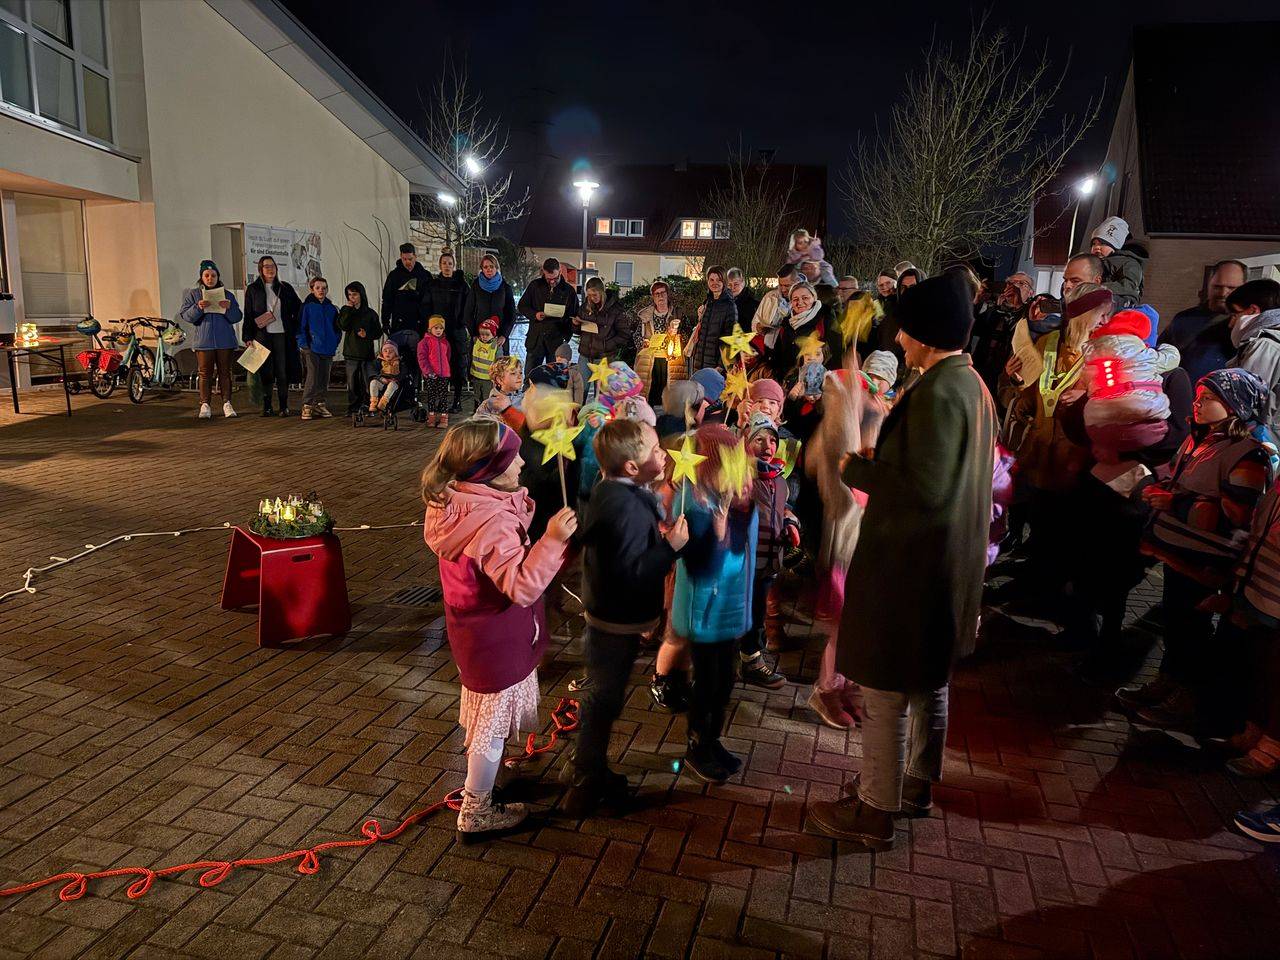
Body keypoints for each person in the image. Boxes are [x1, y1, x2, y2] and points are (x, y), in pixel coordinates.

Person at [805, 270, 995, 850]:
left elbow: (924, 489)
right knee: (929, 682)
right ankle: (914, 785)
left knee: (886, 690)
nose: (900, 341)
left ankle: (875, 809)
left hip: (912, 569)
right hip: (944, 567)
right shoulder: (970, 385)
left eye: (908, 331)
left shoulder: (939, 393)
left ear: (929, 333)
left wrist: (858, 469)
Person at [421, 419, 577, 841]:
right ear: (488, 469)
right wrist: (552, 540)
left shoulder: (458, 502)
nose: (523, 462)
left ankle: (488, 781)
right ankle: (477, 809)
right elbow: (521, 586)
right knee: (490, 723)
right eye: (513, 457)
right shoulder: (492, 523)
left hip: (474, 631)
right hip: (495, 635)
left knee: (488, 713)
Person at [1119, 369, 1278, 730]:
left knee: (1191, 630)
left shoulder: (1249, 453)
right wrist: (1160, 490)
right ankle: (1167, 683)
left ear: (1235, 405)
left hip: (1204, 561)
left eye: (1209, 399)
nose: (1197, 404)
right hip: (1179, 554)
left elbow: (1239, 514)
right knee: (1176, 624)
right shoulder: (1202, 439)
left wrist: (1175, 503)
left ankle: (1186, 700)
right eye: (1198, 396)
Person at [564, 419, 688, 815]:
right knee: (604, 699)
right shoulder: (625, 507)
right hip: (614, 620)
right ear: (632, 467)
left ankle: (586, 764)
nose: (664, 454)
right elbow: (634, 570)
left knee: (604, 695)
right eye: (655, 450)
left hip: (608, 615)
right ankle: (586, 783)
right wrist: (670, 547)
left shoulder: (613, 492)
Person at [672, 424, 758, 783]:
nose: (743, 476)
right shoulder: (695, 504)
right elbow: (699, 564)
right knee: (709, 682)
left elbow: (743, 549)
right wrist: (720, 529)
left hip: (730, 610)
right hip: (705, 613)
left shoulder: (731, 501)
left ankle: (712, 739)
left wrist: (742, 510)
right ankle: (698, 744)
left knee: (725, 681)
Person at [742, 414, 795, 688]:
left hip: (769, 562)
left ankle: (750, 660)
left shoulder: (779, 480)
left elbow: (784, 510)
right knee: (742, 612)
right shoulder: (743, 478)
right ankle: (743, 660)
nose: (767, 446)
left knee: (757, 612)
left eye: (772, 440)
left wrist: (790, 524)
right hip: (745, 562)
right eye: (759, 439)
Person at [1160, 259, 1247, 384]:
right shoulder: (1183, 319)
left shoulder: (1247, 327)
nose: (1223, 293)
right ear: (1209, 285)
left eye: (1231, 288)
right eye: (1217, 287)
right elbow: (1160, 356)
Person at [180, 259, 243, 419]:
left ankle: (227, 403)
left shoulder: (227, 295)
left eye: (213, 275)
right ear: (201, 277)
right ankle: (205, 404)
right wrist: (198, 307)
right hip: (204, 341)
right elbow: (186, 316)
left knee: (225, 372)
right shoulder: (194, 295)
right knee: (204, 373)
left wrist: (229, 308)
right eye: (206, 275)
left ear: (218, 277)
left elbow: (237, 316)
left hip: (225, 341)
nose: (210, 278)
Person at [242, 255, 301, 417]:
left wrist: (294, 326)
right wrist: (247, 336)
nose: (270, 269)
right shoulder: (253, 289)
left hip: (282, 336)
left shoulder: (285, 288)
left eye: (272, 266)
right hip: (262, 336)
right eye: (266, 266)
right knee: (265, 372)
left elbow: (298, 308)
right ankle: (267, 406)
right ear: (260, 269)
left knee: (282, 372)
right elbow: (248, 314)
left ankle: (283, 406)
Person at [1226, 279, 1280, 431]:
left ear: (1252, 310)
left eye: (1234, 315)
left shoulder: (1264, 345)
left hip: (1262, 438)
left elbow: (1243, 402)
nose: (1231, 324)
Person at [426, 250, 471, 413]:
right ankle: (441, 399)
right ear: (440, 265)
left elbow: (468, 307)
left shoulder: (462, 286)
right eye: (444, 263)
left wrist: (462, 322)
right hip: (438, 332)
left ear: (454, 266)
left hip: (456, 331)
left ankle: (457, 400)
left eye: (450, 263)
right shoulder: (433, 285)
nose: (447, 266)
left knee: (457, 366)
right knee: (439, 366)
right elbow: (427, 306)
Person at [575, 277, 636, 391]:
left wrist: (607, 344)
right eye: (589, 295)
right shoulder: (585, 307)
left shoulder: (615, 309)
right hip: (585, 355)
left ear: (602, 292)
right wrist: (576, 324)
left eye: (595, 295)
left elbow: (624, 334)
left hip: (604, 357)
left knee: (601, 393)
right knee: (580, 389)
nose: (592, 298)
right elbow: (578, 331)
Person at [518, 258, 578, 369]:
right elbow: (522, 306)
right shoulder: (535, 286)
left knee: (555, 376)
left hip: (557, 341)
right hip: (536, 340)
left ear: (560, 271)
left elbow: (573, 315)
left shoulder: (569, 291)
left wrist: (566, 338)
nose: (552, 282)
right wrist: (534, 314)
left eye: (555, 278)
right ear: (543, 272)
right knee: (531, 375)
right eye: (548, 278)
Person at [296, 277, 340, 420]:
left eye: (324, 288)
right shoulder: (307, 307)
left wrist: (334, 342)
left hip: (328, 348)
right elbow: (300, 327)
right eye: (318, 288)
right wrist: (304, 344)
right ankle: (307, 404)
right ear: (312, 289)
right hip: (312, 347)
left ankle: (320, 403)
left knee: (324, 377)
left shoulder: (332, 308)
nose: (321, 290)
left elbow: (337, 328)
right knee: (312, 375)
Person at [338, 281, 380, 416]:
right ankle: (353, 407)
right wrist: (348, 310)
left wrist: (367, 334)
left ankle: (368, 405)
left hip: (366, 353)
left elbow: (378, 332)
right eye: (349, 295)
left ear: (361, 295)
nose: (352, 298)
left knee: (367, 381)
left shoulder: (370, 313)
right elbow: (343, 325)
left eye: (354, 294)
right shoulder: (345, 310)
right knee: (352, 383)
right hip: (351, 353)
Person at [463, 253, 516, 356]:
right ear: (482, 269)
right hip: (480, 338)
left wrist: (504, 335)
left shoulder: (505, 287)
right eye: (485, 267)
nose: (489, 269)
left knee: (499, 365)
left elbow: (511, 314)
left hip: (499, 339)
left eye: (492, 266)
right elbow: (468, 312)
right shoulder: (476, 286)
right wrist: (474, 334)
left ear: (496, 268)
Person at [687, 266, 738, 373]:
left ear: (724, 281)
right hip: (699, 361)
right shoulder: (707, 303)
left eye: (718, 280)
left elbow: (730, 337)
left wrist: (721, 365)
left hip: (715, 365)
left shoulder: (729, 305)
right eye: (711, 280)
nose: (715, 283)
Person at [1089, 216, 1147, 308]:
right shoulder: (1090, 264)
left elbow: (1128, 286)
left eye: (1102, 243)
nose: (1096, 247)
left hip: (1119, 306)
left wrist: (1095, 288)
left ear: (1115, 245)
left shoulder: (1129, 264)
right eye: (1094, 244)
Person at [381, 243, 431, 338]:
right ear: (401, 257)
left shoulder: (425, 276)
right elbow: (387, 300)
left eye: (410, 259)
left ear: (415, 257)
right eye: (404, 259)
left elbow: (430, 302)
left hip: (420, 325)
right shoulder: (394, 276)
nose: (407, 262)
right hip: (399, 324)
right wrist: (385, 322)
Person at [417, 315, 452, 427]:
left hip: (444, 374)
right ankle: (431, 418)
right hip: (431, 374)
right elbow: (422, 358)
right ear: (430, 328)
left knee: (443, 396)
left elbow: (447, 356)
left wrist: (446, 369)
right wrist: (428, 371)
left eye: (441, 328)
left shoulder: (445, 342)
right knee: (431, 396)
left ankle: (444, 418)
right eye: (436, 328)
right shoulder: (424, 342)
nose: (438, 330)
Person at [368, 339, 404, 414]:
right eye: (385, 351)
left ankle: (383, 403)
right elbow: (373, 371)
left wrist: (395, 379)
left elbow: (403, 374)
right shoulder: (379, 361)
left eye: (391, 351)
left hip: (394, 382)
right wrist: (380, 378)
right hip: (382, 381)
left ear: (395, 354)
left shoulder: (399, 363)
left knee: (392, 385)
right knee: (373, 382)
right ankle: (373, 402)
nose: (388, 353)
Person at [727, 268, 758, 334]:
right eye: (729, 285)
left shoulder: (752, 304)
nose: (732, 288)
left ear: (743, 283)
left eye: (736, 284)